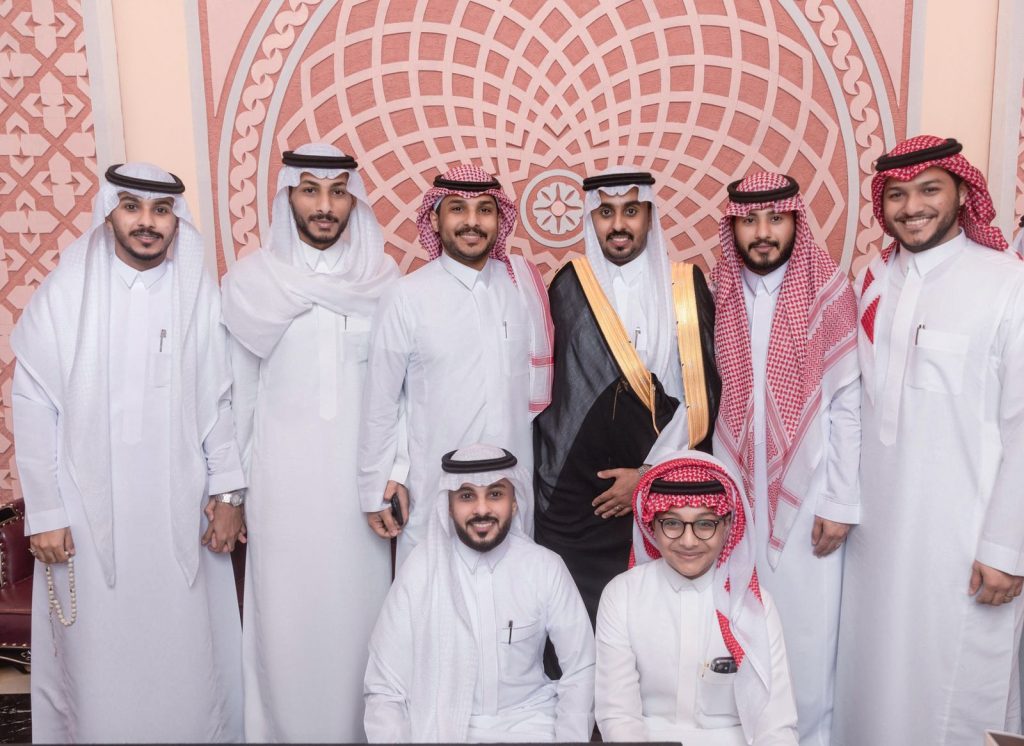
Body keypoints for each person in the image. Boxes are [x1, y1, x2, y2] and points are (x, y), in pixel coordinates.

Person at [11, 163, 246, 742]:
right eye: (133, 207)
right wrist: (45, 512)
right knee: (97, 662)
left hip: (180, 514)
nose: (147, 222)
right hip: (85, 518)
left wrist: (229, 495)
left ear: (176, 220)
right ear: (109, 212)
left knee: (187, 654)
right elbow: (34, 403)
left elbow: (218, 402)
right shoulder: (68, 293)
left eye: (161, 210)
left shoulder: (197, 296)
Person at [834, 135, 1024, 744]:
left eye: (928, 190)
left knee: (955, 692)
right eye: (896, 194)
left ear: (963, 192)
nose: (911, 206)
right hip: (877, 539)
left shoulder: (1007, 284)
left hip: (965, 542)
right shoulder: (872, 280)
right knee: (872, 684)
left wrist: (1008, 548)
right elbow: (853, 402)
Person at [220, 144, 400, 741]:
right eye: (310, 191)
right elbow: (237, 399)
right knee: (284, 631)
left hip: (360, 499)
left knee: (362, 627)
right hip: (282, 494)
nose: (325, 206)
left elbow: (402, 396)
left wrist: (395, 473)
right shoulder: (252, 284)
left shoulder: (384, 282)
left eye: (338, 193)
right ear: (288, 197)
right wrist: (233, 494)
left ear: (354, 200)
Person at [711, 171, 859, 745]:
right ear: (733, 228)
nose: (762, 233)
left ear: (796, 220)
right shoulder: (721, 290)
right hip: (739, 487)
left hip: (810, 493)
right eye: (749, 221)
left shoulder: (829, 291)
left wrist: (840, 502)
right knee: (745, 621)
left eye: (775, 218)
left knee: (808, 631)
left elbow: (847, 405)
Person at [534, 167, 719, 624]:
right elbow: (558, 400)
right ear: (590, 220)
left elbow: (699, 395)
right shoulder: (568, 285)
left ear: (650, 216)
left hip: (664, 487)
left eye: (631, 211)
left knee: (653, 620)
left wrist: (646, 475)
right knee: (578, 620)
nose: (618, 225)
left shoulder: (684, 286)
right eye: (606, 213)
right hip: (584, 497)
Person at [358, 165, 552, 563]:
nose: (472, 222)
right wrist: (378, 483)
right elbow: (381, 402)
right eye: (458, 209)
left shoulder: (522, 287)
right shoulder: (406, 296)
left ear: (499, 219)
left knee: (514, 589)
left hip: (511, 489)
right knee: (434, 591)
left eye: (485, 210)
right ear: (435, 219)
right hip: (435, 489)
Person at [363, 443, 595, 742]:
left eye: (495, 494)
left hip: (531, 724)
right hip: (439, 728)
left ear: (515, 502)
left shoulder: (545, 567)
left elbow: (581, 669)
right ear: (449, 506)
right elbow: (385, 687)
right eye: (466, 496)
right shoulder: (420, 570)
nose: (482, 509)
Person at [595, 451, 799, 745]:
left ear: (727, 526)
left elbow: (775, 723)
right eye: (672, 523)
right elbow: (618, 715)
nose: (688, 541)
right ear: (652, 525)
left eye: (705, 524)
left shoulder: (755, 606)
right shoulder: (622, 595)